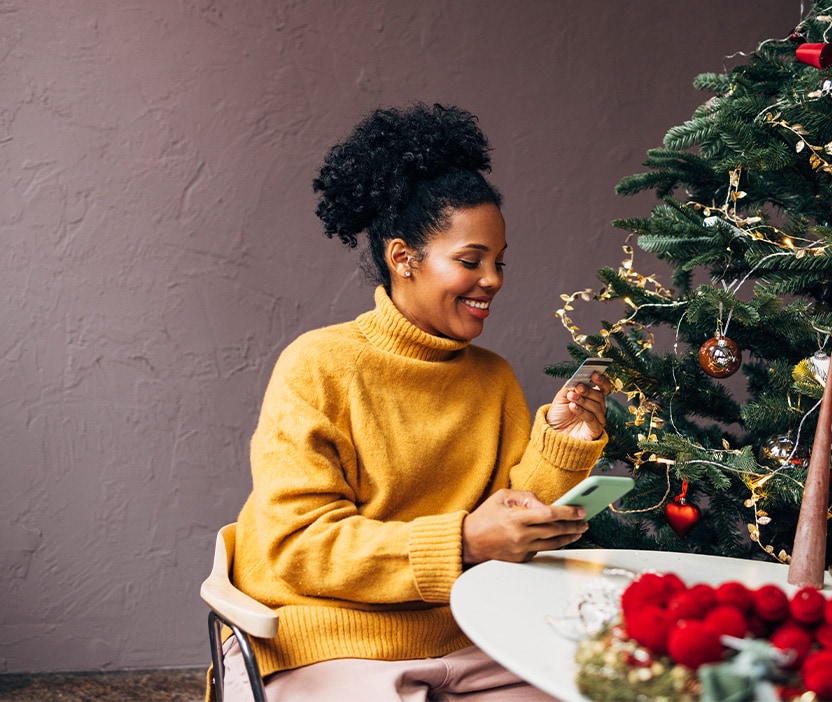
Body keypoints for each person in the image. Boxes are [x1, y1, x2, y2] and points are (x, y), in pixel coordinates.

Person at [221, 103, 610, 701]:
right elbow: (301, 546)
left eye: (499, 263)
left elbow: (510, 524)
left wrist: (560, 444)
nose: (494, 281)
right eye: (471, 261)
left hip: (472, 636)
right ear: (404, 259)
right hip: (331, 640)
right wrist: (462, 541)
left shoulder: (492, 378)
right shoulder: (317, 365)